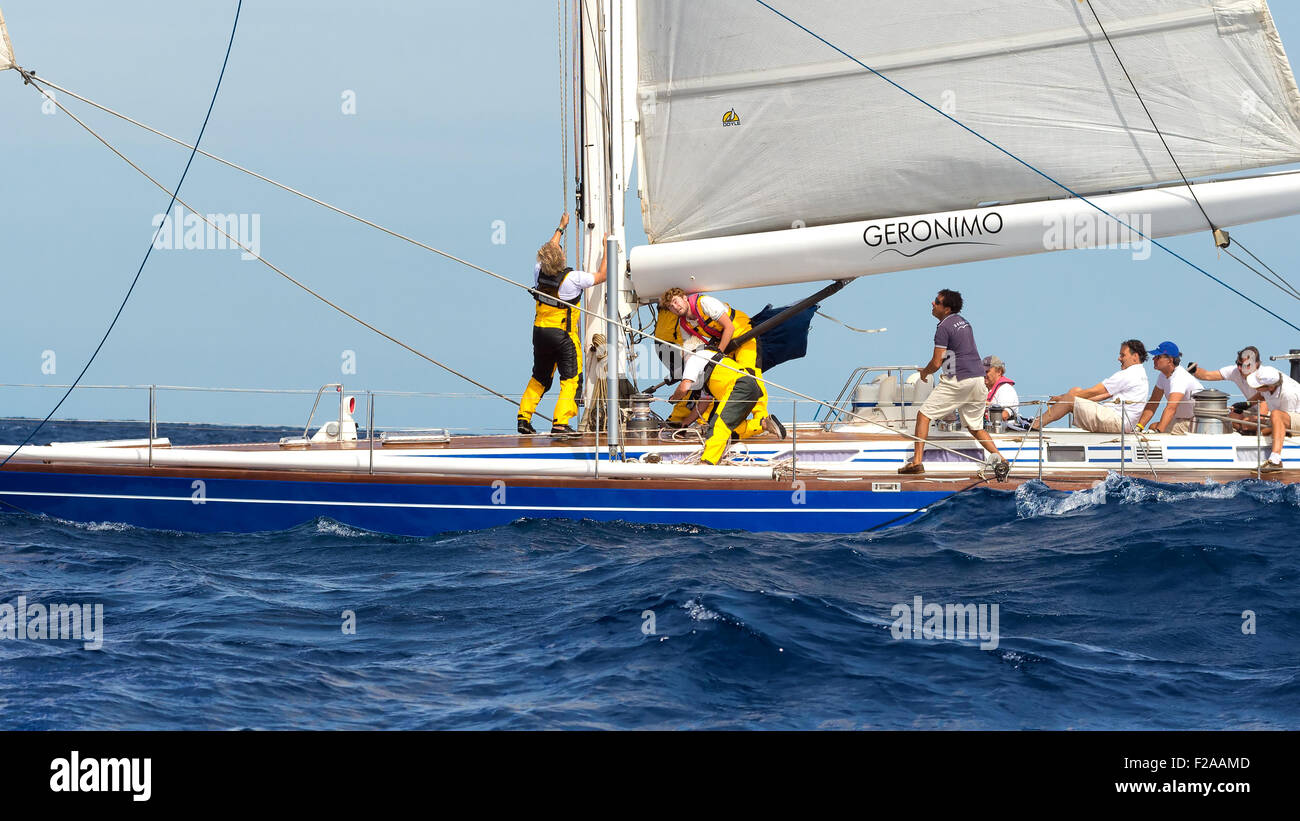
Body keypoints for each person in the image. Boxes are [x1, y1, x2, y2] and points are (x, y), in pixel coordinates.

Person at [517, 213, 608, 436]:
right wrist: (608, 247)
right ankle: (560, 423)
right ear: (561, 258)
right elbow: (602, 275)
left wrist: (560, 228)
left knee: (540, 376)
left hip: (539, 333)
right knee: (571, 378)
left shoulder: (538, 271)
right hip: (562, 336)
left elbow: (550, 248)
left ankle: (524, 417)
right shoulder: (574, 278)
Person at [900, 289, 1006, 475]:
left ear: (947, 309)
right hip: (979, 380)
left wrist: (924, 373)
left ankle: (916, 462)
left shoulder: (943, 327)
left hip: (961, 380)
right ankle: (1002, 460)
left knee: (923, 415)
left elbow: (937, 361)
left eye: (936, 302)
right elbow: (955, 354)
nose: (932, 303)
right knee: (975, 427)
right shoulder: (964, 323)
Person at [659, 288, 767, 429]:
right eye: (670, 307)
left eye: (675, 301)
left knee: (750, 373)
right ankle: (703, 422)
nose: (675, 307)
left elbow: (729, 327)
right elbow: (692, 349)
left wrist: (718, 353)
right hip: (723, 343)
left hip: (743, 333)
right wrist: (694, 368)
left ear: (684, 298)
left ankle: (762, 418)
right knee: (711, 380)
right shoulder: (684, 324)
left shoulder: (704, 303)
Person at [669, 345, 785, 465]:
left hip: (738, 387)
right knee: (730, 429)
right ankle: (763, 424)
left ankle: (707, 462)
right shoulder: (708, 363)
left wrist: (674, 398)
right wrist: (685, 423)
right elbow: (704, 402)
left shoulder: (694, 358)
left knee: (718, 425)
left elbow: (684, 387)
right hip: (750, 388)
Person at [1029, 340, 1149, 433]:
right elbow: (1102, 395)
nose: (1119, 358)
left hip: (1117, 421)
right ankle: (1037, 421)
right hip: (1121, 422)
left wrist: (1064, 399)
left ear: (1135, 357)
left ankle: (1034, 426)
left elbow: (1095, 391)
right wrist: (1067, 399)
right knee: (1075, 392)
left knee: (1071, 397)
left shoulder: (1129, 373)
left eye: (1123, 355)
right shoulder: (1139, 373)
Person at [1188, 346, 1266, 431]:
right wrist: (1194, 370)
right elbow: (1207, 375)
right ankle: (1245, 429)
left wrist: (1247, 422)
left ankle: (1249, 429)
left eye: (1243, 365)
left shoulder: (1263, 377)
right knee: (1229, 417)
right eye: (1238, 363)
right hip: (1253, 410)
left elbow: (1262, 415)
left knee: (1249, 422)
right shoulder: (1235, 371)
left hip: (1270, 413)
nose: (1239, 368)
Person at [1134, 341, 1204, 434]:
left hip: (1197, 423)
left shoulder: (1179, 377)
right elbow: (1153, 403)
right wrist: (1138, 427)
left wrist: (1158, 432)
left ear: (1170, 360)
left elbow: (1171, 408)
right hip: (1183, 420)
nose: (1153, 359)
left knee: (1155, 428)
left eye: (1158, 357)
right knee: (1153, 426)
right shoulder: (1162, 376)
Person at [1245, 366, 1300, 473]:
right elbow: (1261, 394)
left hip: (1293, 416)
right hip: (1281, 417)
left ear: (1270, 387)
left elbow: (1284, 419)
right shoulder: (1270, 380)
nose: (1255, 388)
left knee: (1274, 416)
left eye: (1257, 386)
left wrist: (1264, 430)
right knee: (1246, 423)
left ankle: (1275, 460)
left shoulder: (1289, 393)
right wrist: (1245, 404)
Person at [982, 355, 1019, 422]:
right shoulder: (982, 389)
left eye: (987, 371)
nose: (983, 374)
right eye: (982, 371)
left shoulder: (1006, 389)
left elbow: (1004, 415)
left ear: (999, 372)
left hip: (1001, 430)